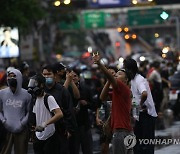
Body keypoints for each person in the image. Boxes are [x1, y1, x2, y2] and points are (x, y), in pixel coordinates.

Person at [92, 53, 133, 154]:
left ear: (126, 80)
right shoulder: (118, 90)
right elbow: (102, 97)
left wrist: (99, 64)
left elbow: (110, 77)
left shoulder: (123, 88)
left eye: (119, 74)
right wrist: (109, 80)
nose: (116, 75)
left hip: (121, 131)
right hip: (126, 131)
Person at [123, 58, 157, 154]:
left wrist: (140, 105)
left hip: (147, 115)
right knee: (138, 142)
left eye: (125, 68)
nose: (124, 71)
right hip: (140, 114)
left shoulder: (139, 80)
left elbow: (144, 94)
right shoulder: (133, 80)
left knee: (146, 143)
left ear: (130, 69)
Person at [42, 64, 77, 154]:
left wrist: (69, 130)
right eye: (44, 74)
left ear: (54, 75)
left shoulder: (62, 90)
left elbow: (68, 110)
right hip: (44, 130)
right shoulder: (41, 91)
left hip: (60, 131)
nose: (46, 77)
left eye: (49, 74)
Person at [28, 73, 63, 154]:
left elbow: (59, 114)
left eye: (35, 83)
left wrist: (44, 124)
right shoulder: (35, 99)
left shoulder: (48, 98)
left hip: (50, 136)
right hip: (38, 136)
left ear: (42, 85)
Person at [0, 68, 31, 154]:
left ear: (19, 77)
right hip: (6, 129)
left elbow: (29, 111)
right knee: (4, 151)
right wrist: (3, 121)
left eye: (14, 76)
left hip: (21, 130)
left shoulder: (27, 94)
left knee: (21, 151)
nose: (12, 78)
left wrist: (22, 123)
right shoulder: (2, 93)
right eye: (10, 76)